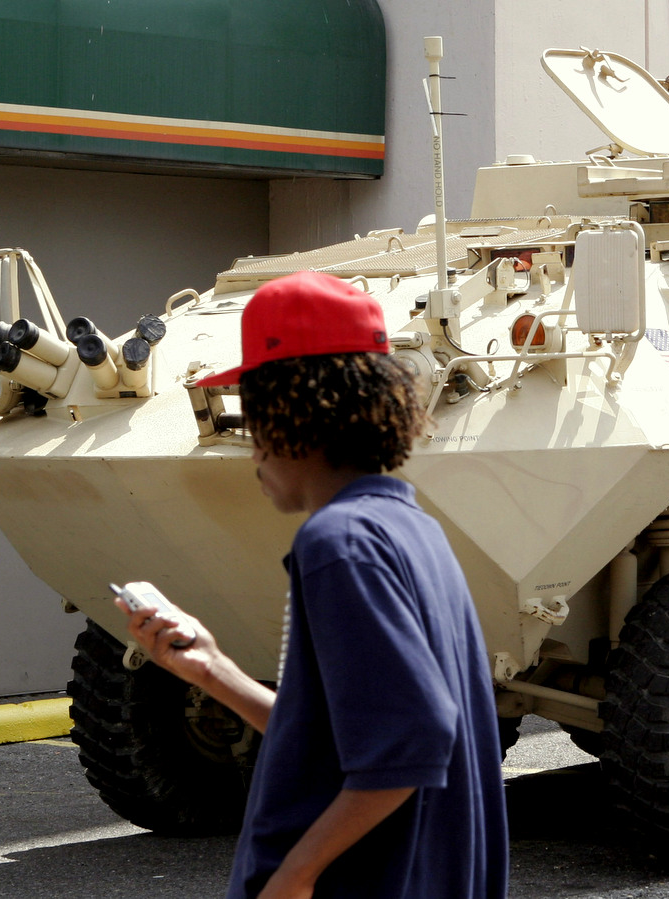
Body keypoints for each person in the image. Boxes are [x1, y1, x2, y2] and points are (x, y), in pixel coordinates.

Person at [117, 270, 508, 898]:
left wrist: (295, 877)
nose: (251, 447)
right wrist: (212, 670)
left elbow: (414, 735)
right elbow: (347, 738)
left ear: (293, 406)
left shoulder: (338, 544)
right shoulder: (412, 529)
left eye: (253, 412)